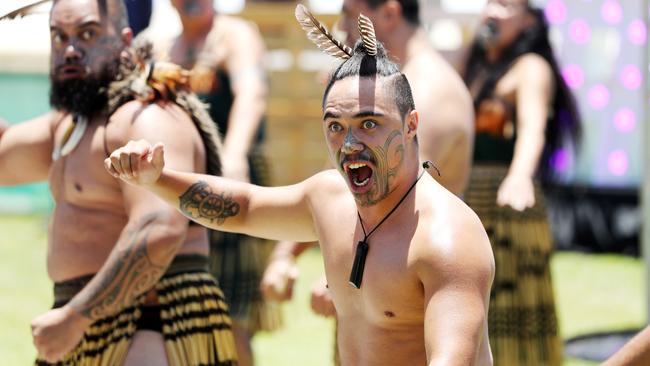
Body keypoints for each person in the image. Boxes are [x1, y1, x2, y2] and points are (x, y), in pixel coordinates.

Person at [106, 12, 495, 364]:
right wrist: (157, 178)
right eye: (335, 127)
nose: (349, 144)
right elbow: (242, 207)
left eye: (369, 124)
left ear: (411, 125)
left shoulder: (447, 238)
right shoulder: (329, 200)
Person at [0, 0, 237, 364]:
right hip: (85, 324)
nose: (70, 50)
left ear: (124, 39)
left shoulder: (145, 115)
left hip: (155, 325)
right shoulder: (69, 124)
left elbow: (160, 228)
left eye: (87, 33)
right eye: (58, 37)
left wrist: (76, 316)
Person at [261, 0, 475, 323]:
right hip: (378, 291)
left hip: (410, 303)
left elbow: (397, 194)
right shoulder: (384, 86)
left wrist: (347, 269)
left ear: (389, 12)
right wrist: (285, 254)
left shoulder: (427, 87)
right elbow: (341, 178)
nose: (341, 29)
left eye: (348, 15)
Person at [141, 1, 278, 364]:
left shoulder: (235, 35)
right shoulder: (160, 47)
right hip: (173, 189)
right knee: (178, 311)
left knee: (230, 315)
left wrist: (233, 155)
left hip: (229, 185)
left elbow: (252, 95)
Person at [461, 0, 581, 364]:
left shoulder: (531, 68)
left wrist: (519, 175)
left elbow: (532, 128)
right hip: (469, 203)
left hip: (507, 206)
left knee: (509, 312)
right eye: (490, 3)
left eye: (506, 5)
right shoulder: (476, 68)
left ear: (530, 20)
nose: (493, 11)